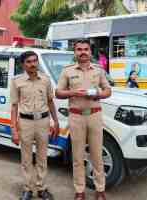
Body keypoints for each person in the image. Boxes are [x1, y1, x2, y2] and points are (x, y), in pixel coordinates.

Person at [56, 39, 112, 200]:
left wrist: (97, 94)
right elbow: (58, 92)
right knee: (78, 157)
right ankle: (79, 191)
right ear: (75, 53)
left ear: (90, 51)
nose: (82, 52)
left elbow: (108, 90)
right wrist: (74, 93)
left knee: (97, 155)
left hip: (94, 115)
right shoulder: (67, 71)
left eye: (85, 49)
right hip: (76, 116)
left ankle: (100, 189)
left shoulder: (98, 70)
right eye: (79, 49)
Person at [10, 51, 59, 200]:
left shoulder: (45, 80)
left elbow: (50, 101)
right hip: (25, 122)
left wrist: (55, 121)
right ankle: (27, 189)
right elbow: (14, 106)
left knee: (42, 157)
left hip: (43, 122)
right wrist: (14, 129)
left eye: (35, 61)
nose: (33, 64)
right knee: (26, 158)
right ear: (23, 64)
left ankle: (41, 188)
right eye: (29, 61)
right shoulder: (16, 81)